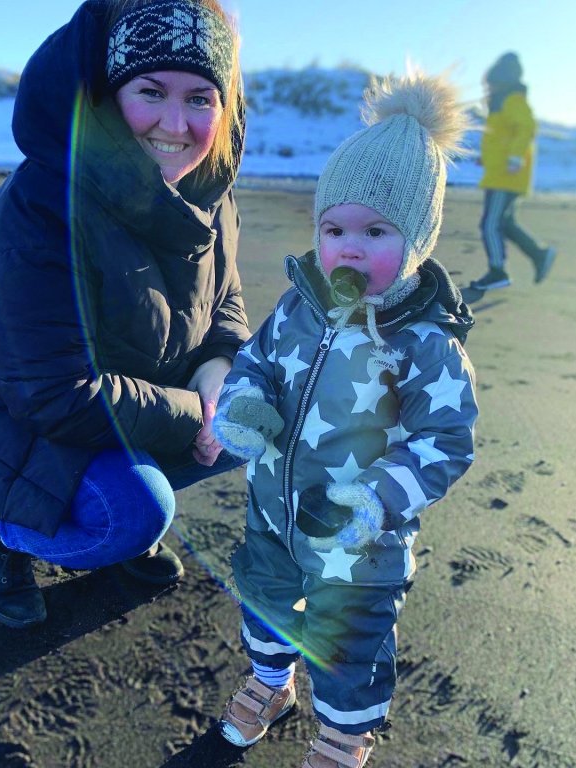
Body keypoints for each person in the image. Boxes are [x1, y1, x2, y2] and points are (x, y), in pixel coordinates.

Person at [0, 0, 249, 629]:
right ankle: (3, 531)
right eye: (151, 92)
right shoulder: (39, 206)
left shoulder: (210, 190)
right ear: (108, 93)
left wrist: (221, 370)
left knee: (254, 417)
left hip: (116, 381)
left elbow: (223, 299)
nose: (176, 124)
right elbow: (52, 394)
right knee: (133, 510)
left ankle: (119, 488)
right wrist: (194, 414)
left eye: (201, 99)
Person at [211, 72, 479, 767]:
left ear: (417, 240)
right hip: (274, 515)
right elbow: (255, 363)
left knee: (350, 646)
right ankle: (270, 682)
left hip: (359, 546)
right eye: (334, 229)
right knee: (265, 605)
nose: (349, 248)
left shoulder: (426, 344)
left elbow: (446, 442)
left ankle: (343, 732)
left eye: (376, 231)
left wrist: (376, 499)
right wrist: (244, 406)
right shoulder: (298, 307)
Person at [470, 51, 555, 291]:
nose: (489, 88)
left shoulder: (513, 100)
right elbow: (499, 138)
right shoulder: (499, 104)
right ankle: (539, 254)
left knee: (490, 224)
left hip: (506, 176)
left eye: (493, 83)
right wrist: (486, 158)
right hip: (500, 172)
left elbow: (526, 128)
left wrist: (515, 158)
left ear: (503, 81)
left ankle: (497, 271)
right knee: (505, 223)